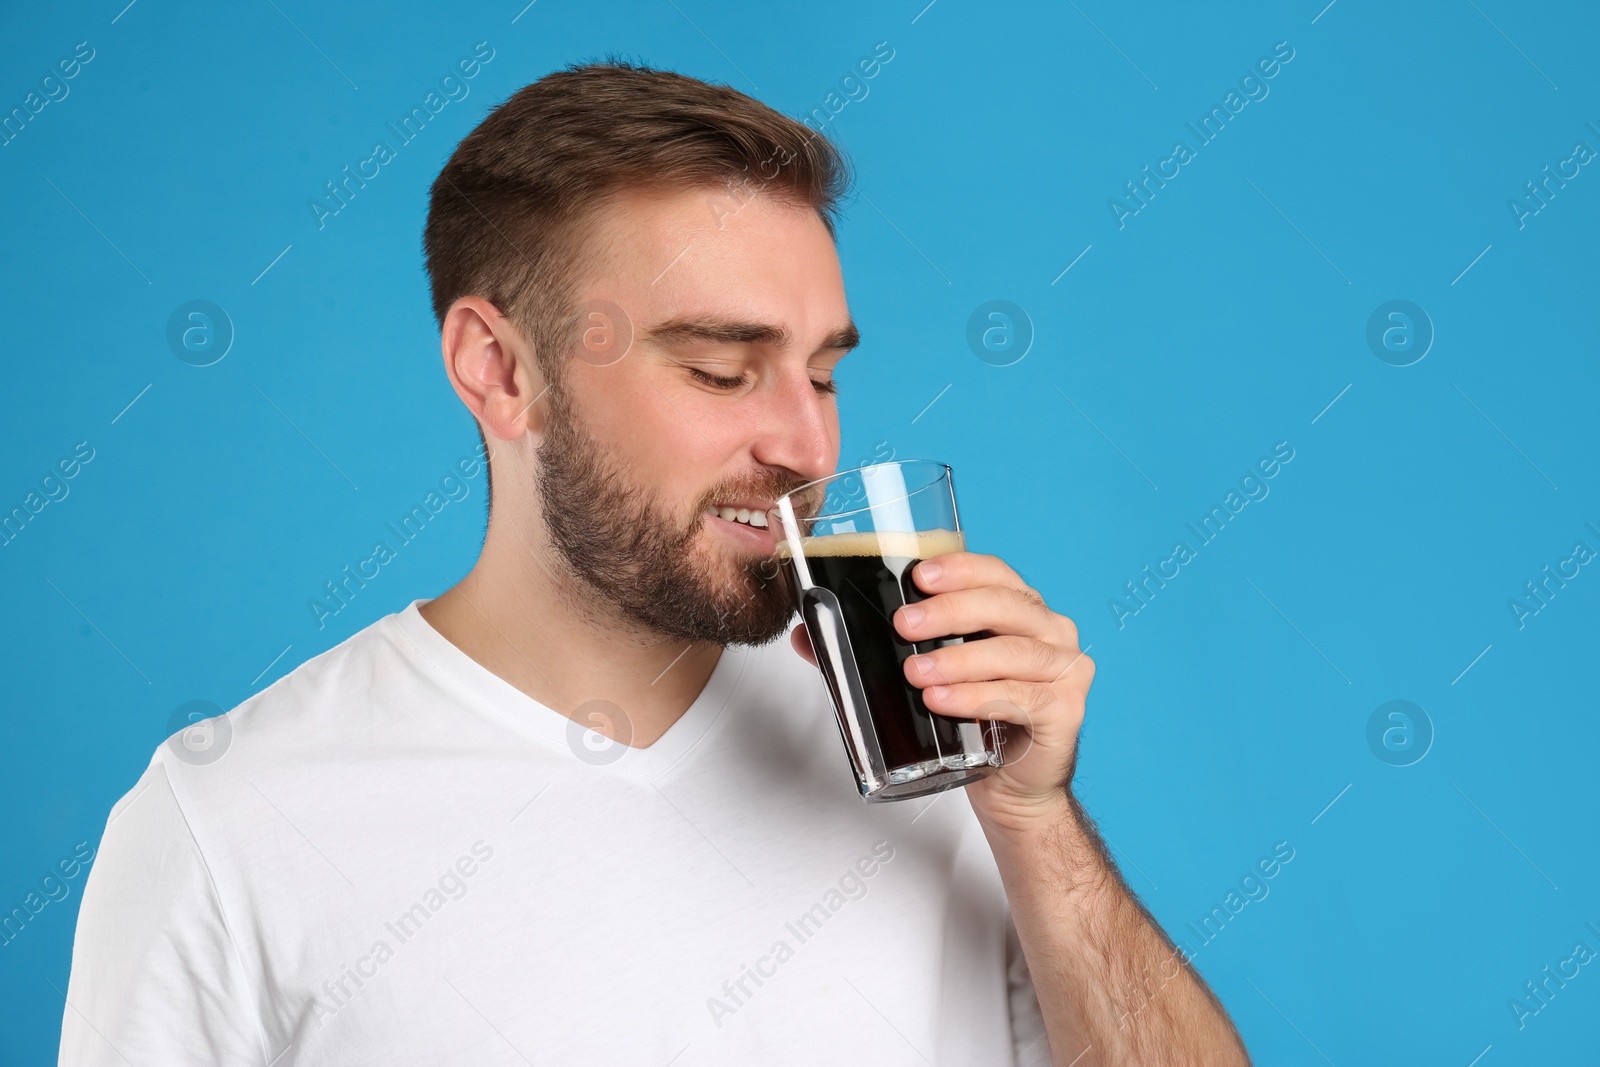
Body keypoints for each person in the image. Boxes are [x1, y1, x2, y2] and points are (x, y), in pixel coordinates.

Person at [58, 60, 1250, 1065]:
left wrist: (1031, 818)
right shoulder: (229, 824)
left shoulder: (923, 754)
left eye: (822, 372)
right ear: (500, 371)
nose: (806, 444)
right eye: (721, 370)